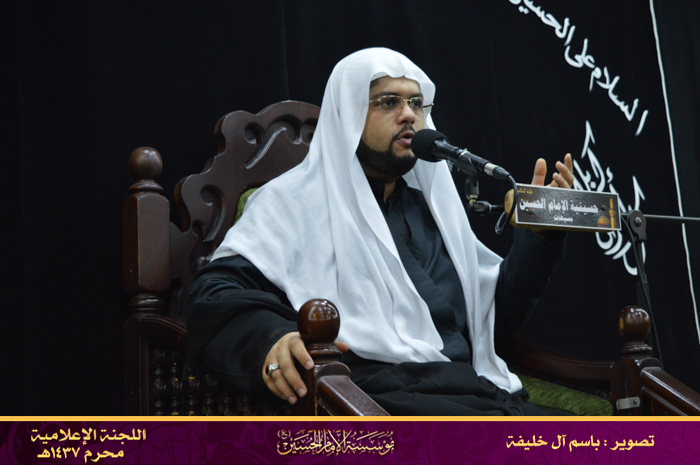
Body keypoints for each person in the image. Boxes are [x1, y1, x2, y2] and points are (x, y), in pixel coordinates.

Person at [185, 48, 574, 415]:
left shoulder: (430, 213)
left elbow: (489, 319)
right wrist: (273, 337)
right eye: (389, 102)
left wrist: (541, 237)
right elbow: (214, 295)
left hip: (471, 394)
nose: (409, 115)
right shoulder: (291, 204)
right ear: (349, 115)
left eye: (416, 103)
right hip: (375, 401)